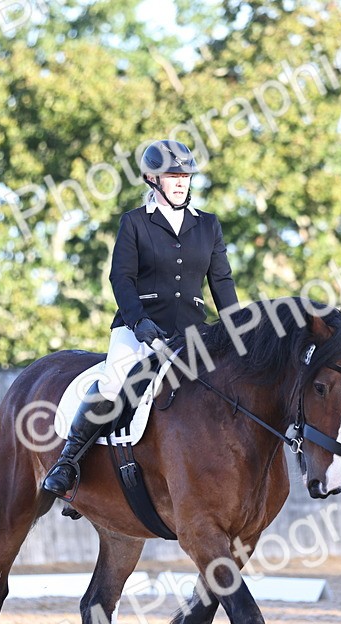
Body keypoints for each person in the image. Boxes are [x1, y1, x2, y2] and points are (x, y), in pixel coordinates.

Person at [41, 139, 241, 498]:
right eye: (172, 175)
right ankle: (70, 462)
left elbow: (222, 281)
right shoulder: (134, 222)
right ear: (152, 178)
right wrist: (139, 322)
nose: (181, 182)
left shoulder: (208, 226)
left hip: (193, 333)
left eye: (185, 176)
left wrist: (239, 331)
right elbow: (121, 278)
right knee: (114, 382)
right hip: (139, 329)